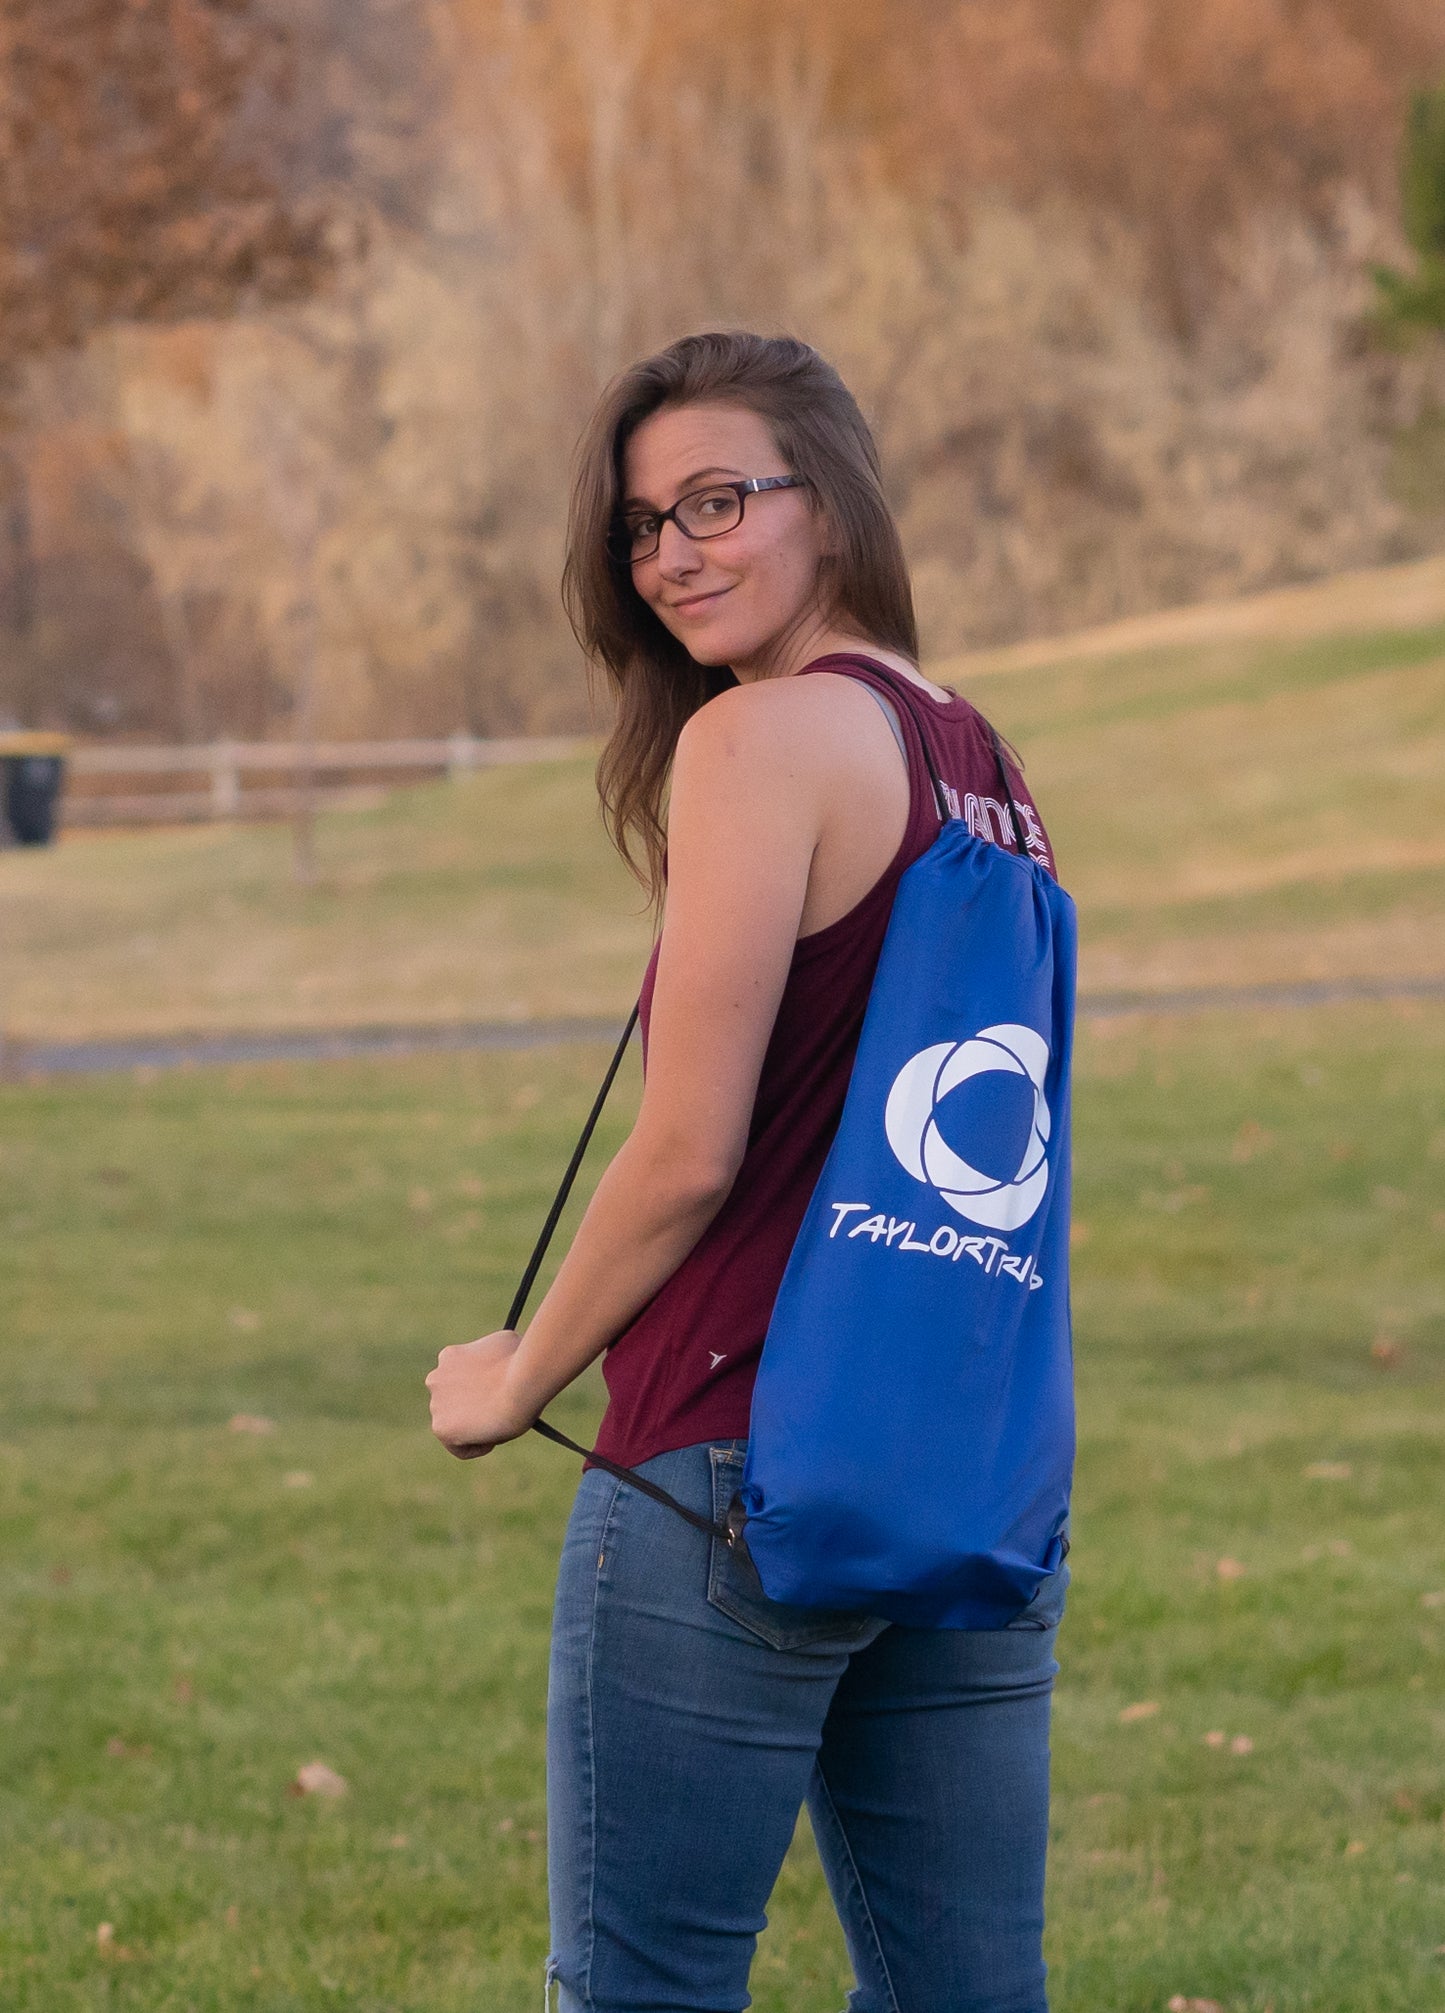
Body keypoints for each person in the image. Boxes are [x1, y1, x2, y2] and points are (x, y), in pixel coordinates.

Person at [426, 330, 1067, 2013]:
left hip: (727, 1460)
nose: (671, 555)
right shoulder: (978, 762)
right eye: (642, 525)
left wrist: (517, 1375)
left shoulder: (759, 740)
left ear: (830, 503)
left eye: (716, 500)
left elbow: (689, 1151)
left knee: (641, 1988)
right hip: (960, 1468)